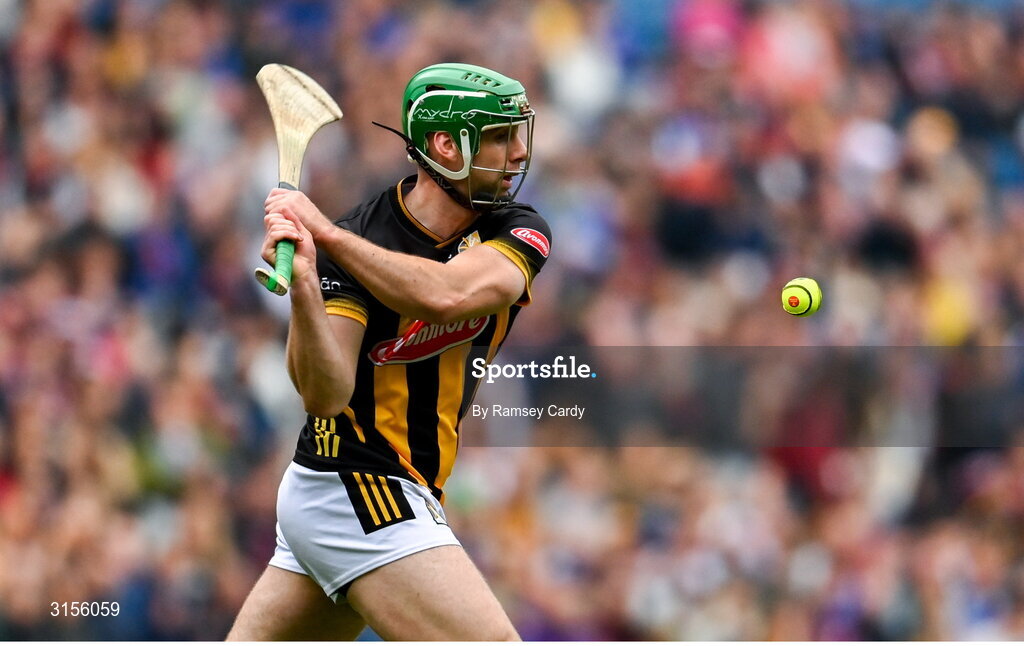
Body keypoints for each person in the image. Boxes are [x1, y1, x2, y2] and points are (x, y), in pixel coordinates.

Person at [227, 63, 549, 640]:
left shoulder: (517, 227)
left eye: (518, 133)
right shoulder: (359, 238)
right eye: (500, 136)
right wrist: (303, 285)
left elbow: (450, 294)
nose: (519, 152)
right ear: (447, 145)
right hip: (357, 483)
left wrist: (325, 238)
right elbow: (325, 395)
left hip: (390, 489)